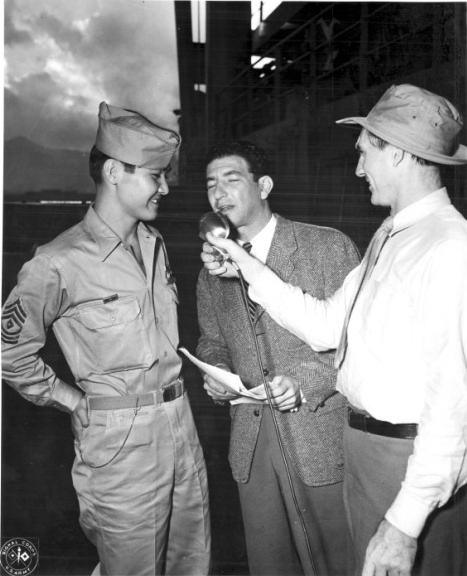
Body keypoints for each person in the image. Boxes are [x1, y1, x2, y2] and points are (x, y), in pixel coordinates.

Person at [201, 84, 467, 576]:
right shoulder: (391, 237)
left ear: (402, 154)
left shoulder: (448, 247)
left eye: (366, 154)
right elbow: (325, 323)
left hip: (407, 459)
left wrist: (406, 523)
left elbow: (455, 404)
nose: (359, 168)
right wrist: (243, 262)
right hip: (365, 451)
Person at [2, 102, 211, 576]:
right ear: (114, 171)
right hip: (120, 448)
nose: (165, 186)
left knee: (192, 565)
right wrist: (71, 401)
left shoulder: (154, 244)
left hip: (182, 427)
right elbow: (8, 352)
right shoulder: (58, 262)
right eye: (156, 174)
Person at [196, 140, 360, 575]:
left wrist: (304, 381)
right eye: (211, 184)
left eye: (232, 179)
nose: (219, 193)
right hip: (250, 442)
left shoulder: (327, 247)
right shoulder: (211, 270)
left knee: (335, 563)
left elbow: (354, 342)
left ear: (263, 185)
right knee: (269, 564)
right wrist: (219, 373)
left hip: (318, 433)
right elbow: (211, 341)